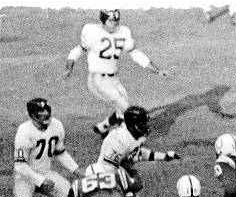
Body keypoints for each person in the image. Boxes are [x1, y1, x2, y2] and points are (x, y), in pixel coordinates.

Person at [64, 9, 169, 137]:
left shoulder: (124, 32)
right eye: (111, 21)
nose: (114, 24)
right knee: (128, 111)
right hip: (98, 79)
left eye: (116, 21)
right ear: (103, 20)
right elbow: (78, 50)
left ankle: (103, 127)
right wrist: (69, 68)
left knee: (123, 107)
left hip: (113, 79)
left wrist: (157, 70)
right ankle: (124, 142)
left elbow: (135, 54)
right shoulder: (92, 31)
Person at [13, 98, 81, 197]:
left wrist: (75, 169)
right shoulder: (24, 131)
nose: (45, 114)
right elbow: (19, 166)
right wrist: (39, 180)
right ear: (32, 115)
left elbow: (59, 152)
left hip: (45, 172)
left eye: (46, 110)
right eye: (40, 112)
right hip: (26, 176)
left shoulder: (56, 126)